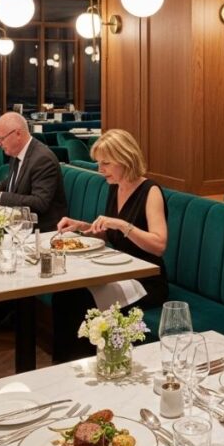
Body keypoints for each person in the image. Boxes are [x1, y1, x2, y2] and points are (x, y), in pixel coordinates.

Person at [52, 129, 169, 362]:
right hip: (119, 271)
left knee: (81, 301)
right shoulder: (115, 186)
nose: (100, 169)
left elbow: (159, 245)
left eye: (106, 163)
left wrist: (123, 224)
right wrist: (81, 226)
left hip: (146, 280)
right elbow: (110, 234)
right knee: (65, 294)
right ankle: (65, 365)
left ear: (125, 160)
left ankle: (87, 363)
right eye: (99, 163)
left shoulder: (151, 191)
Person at [0, 112, 67, 232]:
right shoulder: (18, 152)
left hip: (39, 230)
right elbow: (11, 184)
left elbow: (39, 203)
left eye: (1, 139)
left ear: (18, 134)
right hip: (16, 222)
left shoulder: (42, 159)